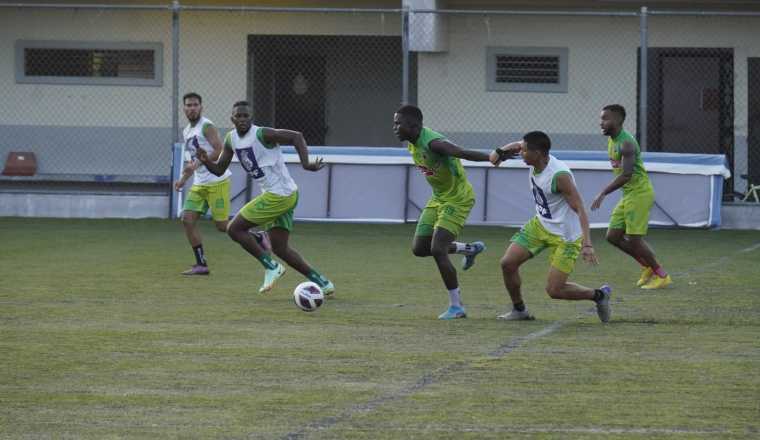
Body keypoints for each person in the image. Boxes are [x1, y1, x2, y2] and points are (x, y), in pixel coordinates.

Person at [195, 100, 334, 295]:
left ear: (251, 118)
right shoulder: (231, 139)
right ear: (232, 119)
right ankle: (323, 282)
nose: (242, 119)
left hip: (280, 195)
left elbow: (297, 137)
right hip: (283, 194)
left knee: (234, 228)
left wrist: (305, 163)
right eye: (238, 116)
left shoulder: (262, 134)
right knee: (280, 248)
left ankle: (271, 267)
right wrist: (206, 161)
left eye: (246, 116)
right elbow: (219, 170)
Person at [393, 105, 507, 320]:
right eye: (394, 123)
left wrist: (492, 157)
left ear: (414, 125)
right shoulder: (412, 143)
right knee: (420, 248)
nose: (395, 127)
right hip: (438, 198)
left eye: (399, 123)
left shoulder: (433, 143)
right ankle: (469, 249)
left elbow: (460, 152)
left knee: (438, 250)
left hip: (458, 198)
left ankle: (457, 307)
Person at [491, 131, 611, 323]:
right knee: (507, 263)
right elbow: (496, 157)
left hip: (566, 235)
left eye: (523, 151)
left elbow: (580, 209)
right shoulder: (533, 155)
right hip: (540, 225)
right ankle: (519, 310)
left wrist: (587, 244)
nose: (520, 153)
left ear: (537, 153)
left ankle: (599, 295)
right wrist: (502, 151)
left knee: (554, 290)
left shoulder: (559, 176)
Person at [592, 104, 671, 289]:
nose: (601, 123)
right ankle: (647, 266)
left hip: (640, 194)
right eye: (601, 118)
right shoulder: (612, 140)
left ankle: (662, 274)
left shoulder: (626, 143)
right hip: (628, 195)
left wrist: (603, 192)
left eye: (605, 119)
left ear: (618, 121)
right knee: (612, 236)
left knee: (634, 239)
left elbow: (626, 175)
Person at [175, 92, 231, 276]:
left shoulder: (206, 126)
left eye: (195, 105)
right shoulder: (187, 131)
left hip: (216, 181)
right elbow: (192, 159)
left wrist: (198, 163)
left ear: (201, 107)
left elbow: (219, 149)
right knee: (187, 219)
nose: (191, 108)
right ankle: (201, 264)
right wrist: (183, 179)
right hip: (200, 183)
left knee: (222, 226)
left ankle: (256, 236)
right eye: (188, 105)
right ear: (184, 108)